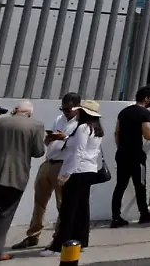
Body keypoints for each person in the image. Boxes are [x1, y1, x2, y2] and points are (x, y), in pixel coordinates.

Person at [0, 101, 45, 261]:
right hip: (16, 177)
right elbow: (38, 152)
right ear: (30, 113)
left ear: (15, 110)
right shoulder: (36, 126)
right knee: (5, 216)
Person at [14, 92, 79, 250]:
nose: (65, 112)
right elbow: (47, 140)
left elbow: (79, 146)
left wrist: (64, 138)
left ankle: (59, 236)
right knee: (39, 201)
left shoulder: (81, 124)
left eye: (68, 109)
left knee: (62, 203)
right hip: (49, 160)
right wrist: (49, 138)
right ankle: (33, 234)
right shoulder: (59, 119)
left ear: (77, 107)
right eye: (63, 109)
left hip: (64, 163)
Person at [43, 101, 105, 257]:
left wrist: (67, 173)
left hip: (78, 171)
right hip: (89, 170)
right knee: (82, 208)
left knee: (68, 210)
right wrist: (65, 138)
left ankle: (59, 246)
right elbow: (79, 145)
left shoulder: (83, 128)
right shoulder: (96, 129)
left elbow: (78, 152)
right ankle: (81, 240)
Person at [111, 87, 150, 227]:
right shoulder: (144, 113)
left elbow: (117, 132)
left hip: (122, 154)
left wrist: (121, 147)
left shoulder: (124, 112)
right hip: (136, 155)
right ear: (146, 98)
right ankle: (144, 213)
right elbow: (147, 135)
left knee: (120, 186)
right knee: (140, 185)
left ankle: (116, 217)